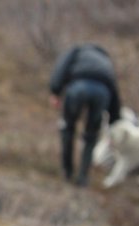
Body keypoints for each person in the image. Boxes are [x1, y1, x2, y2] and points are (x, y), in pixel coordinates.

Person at [49, 43, 122, 187]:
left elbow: (61, 68)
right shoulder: (105, 60)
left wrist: (55, 91)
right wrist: (114, 120)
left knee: (68, 128)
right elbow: (114, 90)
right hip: (102, 93)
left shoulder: (76, 51)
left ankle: (67, 171)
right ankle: (83, 177)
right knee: (91, 136)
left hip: (78, 88)